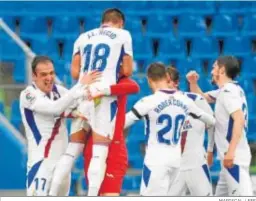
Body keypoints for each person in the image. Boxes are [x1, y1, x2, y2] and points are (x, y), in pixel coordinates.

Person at [50, 8, 133, 196]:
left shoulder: (83, 37)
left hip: (82, 93)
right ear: (120, 23)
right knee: (100, 150)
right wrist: (112, 73)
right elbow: (127, 70)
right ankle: (92, 196)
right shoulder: (123, 34)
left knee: (72, 150)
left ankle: (51, 194)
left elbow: (74, 72)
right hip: (102, 96)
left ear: (102, 21)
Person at [124, 62, 216, 196]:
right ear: (166, 78)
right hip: (175, 161)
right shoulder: (185, 101)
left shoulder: (148, 101)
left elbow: (122, 123)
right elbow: (211, 121)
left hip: (158, 160)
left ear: (149, 80)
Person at [19, 56, 100, 196]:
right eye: (44, 74)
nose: (49, 78)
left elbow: (76, 105)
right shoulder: (28, 94)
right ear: (34, 76)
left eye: (51, 73)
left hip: (62, 165)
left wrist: (90, 96)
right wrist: (79, 86)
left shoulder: (59, 91)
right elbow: (54, 108)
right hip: (41, 164)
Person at [186, 56, 253, 196]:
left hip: (234, 159)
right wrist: (193, 83)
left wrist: (231, 152)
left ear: (221, 70)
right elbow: (201, 99)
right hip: (227, 160)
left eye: (214, 67)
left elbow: (239, 119)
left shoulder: (228, 92)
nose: (211, 71)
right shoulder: (230, 90)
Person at [84, 76, 140, 196]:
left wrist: (102, 91)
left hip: (115, 148)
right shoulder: (91, 80)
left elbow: (134, 87)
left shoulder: (121, 80)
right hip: (93, 146)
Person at [166, 67, 213, 196]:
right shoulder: (157, 106)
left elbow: (212, 123)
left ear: (176, 83)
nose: (163, 85)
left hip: (196, 164)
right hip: (174, 167)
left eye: (167, 81)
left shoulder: (196, 100)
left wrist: (210, 149)